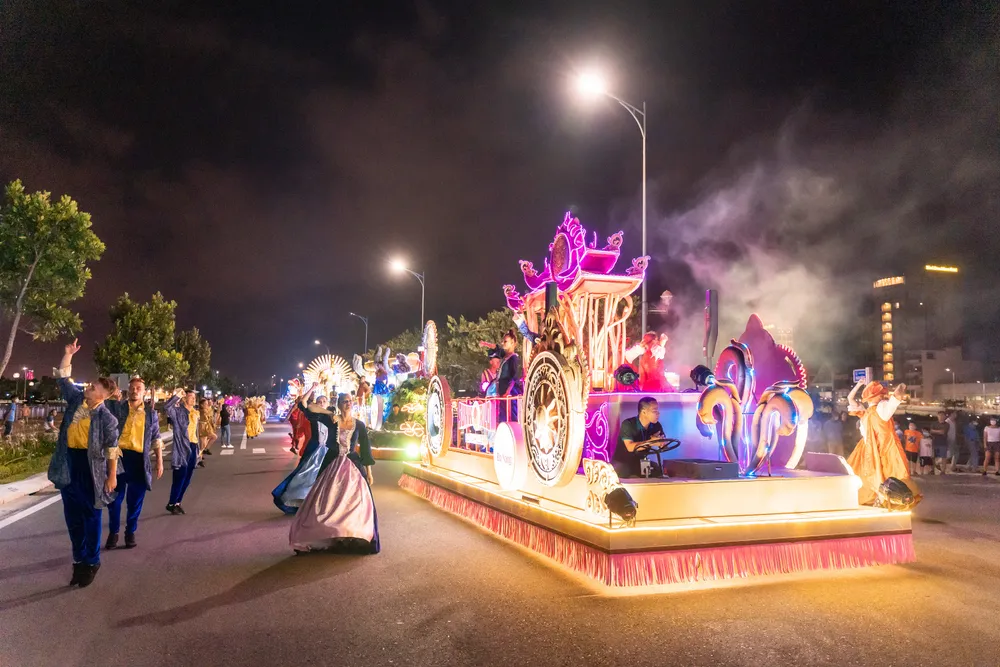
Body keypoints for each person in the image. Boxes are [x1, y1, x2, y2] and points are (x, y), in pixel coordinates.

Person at [46, 339, 120, 588]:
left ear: (103, 395)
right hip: (68, 464)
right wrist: (68, 355)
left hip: (91, 470)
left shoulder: (107, 419)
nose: (88, 386)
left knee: (91, 516)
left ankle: (92, 561)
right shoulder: (77, 400)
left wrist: (112, 475)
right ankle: (78, 560)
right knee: (72, 517)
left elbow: (112, 449)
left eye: (94, 386)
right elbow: (62, 379)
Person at [289, 392, 379, 554]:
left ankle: (351, 536)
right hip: (332, 463)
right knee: (327, 501)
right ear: (338, 404)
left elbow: (366, 449)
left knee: (355, 503)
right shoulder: (331, 420)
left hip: (353, 466)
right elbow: (307, 406)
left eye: (350, 401)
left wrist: (369, 473)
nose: (348, 404)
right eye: (344, 401)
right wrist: (329, 413)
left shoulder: (359, 425)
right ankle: (330, 534)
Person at [104, 376, 164, 549]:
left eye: (138, 388)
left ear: (144, 392)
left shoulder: (151, 414)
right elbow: (100, 404)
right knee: (114, 499)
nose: (134, 390)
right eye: (132, 387)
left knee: (135, 500)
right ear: (127, 390)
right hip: (119, 458)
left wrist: (159, 460)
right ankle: (113, 532)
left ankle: (130, 531)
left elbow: (156, 438)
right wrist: (111, 394)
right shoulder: (117, 408)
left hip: (139, 460)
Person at [845, 380, 920, 505]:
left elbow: (850, 398)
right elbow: (896, 397)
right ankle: (882, 498)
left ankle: (880, 498)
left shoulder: (867, 412)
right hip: (883, 447)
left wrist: (858, 385)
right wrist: (901, 387)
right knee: (886, 473)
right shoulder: (878, 409)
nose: (882, 396)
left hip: (871, 448)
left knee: (871, 474)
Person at [272, 384, 332, 514]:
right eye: (319, 401)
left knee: (325, 478)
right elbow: (302, 403)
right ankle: (296, 500)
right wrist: (312, 388)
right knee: (304, 475)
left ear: (328, 404)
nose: (322, 403)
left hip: (327, 450)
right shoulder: (313, 415)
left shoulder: (332, 416)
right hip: (314, 449)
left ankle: (320, 504)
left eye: (324, 401)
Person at [163, 388, 199, 514]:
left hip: (193, 446)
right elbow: (167, 407)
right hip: (182, 447)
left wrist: (199, 450)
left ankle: (177, 502)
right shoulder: (178, 412)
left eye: (194, 397)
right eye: (191, 397)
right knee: (180, 477)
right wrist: (177, 396)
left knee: (187, 478)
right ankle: (171, 503)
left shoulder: (195, 413)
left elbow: (196, 432)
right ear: (184, 398)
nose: (194, 399)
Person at [613, 397, 666, 478]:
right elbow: (630, 447)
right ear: (644, 412)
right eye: (654, 411)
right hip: (623, 462)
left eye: (657, 410)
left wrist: (662, 443)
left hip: (641, 461)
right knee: (625, 471)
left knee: (657, 470)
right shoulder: (628, 424)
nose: (658, 413)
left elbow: (663, 443)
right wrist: (651, 442)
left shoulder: (656, 425)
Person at [480, 329, 523, 423]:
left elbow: (513, 377)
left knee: (508, 413)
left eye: (506, 341)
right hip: (500, 387)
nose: (503, 343)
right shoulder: (505, 355)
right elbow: (496, 348)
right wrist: (485, 344)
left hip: (509, 390)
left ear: (512, 343)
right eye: (503, 341)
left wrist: (507, 392)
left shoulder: (513, 358)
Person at [198, 397, 217, 464]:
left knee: (212, 438)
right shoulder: (202, 411)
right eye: (205, 404)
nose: (207, 405)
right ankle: (199, 458)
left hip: (206, 427)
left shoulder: (206, 410)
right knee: (203, 444)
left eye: (207, 403)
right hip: (202, 428)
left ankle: (202, 454)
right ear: (201, 405)